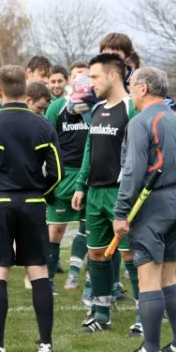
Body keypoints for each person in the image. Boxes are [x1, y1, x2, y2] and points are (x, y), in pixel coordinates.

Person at [0, 64, 63, 352]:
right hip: (33, 204)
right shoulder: (43, 124)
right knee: (38, 271)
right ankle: (45, 345)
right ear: (26, 90)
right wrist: (40, 194)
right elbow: (57, 173)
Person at [113, 67, 176, 352]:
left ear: (143, 88)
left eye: (131, 85)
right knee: (168, 276)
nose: (130, 91)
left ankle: (150, 350)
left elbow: (132, 172)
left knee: (148, 279)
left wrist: (121, 212)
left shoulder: (139, 122)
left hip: (152, 206)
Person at [71, 53, 139, 333]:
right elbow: (90, 148)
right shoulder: (97, 108)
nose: (90, 83)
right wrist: (80, 185)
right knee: (96, 253)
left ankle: (145, 314)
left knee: (130, 255)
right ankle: (100, 314)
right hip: (95, 193)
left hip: (120, 193)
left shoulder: (132, 108)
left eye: (95, 77)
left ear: (113, 75)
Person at [0, 55, 53, 290]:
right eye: (41, 76)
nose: (45, 81)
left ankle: (14, 278)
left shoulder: (41, 115)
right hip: (17, 194)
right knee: (27, 263)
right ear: (27, 77)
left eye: (47, 77)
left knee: (5, 264)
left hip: (5, 196)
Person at [43, 67, 91, 295]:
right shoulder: (56, 107)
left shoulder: (95, 107)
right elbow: (44, 141)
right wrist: (47, 180)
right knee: (55, 232)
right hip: (63, 177)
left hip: (90, 175)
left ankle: (80, 277)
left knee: (91, 229)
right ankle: (48, 283)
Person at [0, 56, 52, 121]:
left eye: (48, 77)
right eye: (43, 75)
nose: (46, 80)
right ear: (28, 72)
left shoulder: (51, 100)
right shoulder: (5, 97)